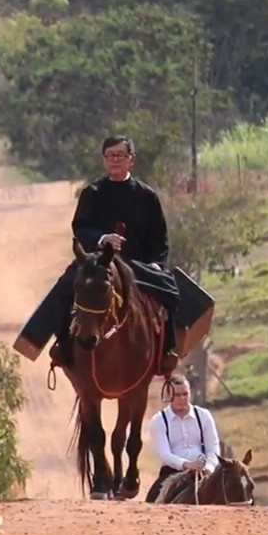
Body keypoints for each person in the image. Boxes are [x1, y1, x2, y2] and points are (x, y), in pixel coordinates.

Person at [50, 135, 181, 375]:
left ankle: (167, 352)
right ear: (103, 161)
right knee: (64, 288)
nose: (115, 161)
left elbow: (159, 236)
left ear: (131, 160)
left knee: (170, 291)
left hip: (138, 265)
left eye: (120, 156)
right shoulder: (92, 193)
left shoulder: (147, 196)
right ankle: (63, 346)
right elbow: (80, 228)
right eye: (110, 156)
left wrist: (156, 263)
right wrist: (103, 239)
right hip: (97, 264)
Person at [144, 375, 221, 503]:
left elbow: (213, 447)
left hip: (204, 472)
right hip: (173, 473)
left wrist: (208, 467)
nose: (182, 398)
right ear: (169, 395)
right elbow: (164, 454)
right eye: (177, 395)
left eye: (185, 394)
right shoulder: (158, 420)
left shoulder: (204, 416)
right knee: (153, 499)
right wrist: (187, 465)